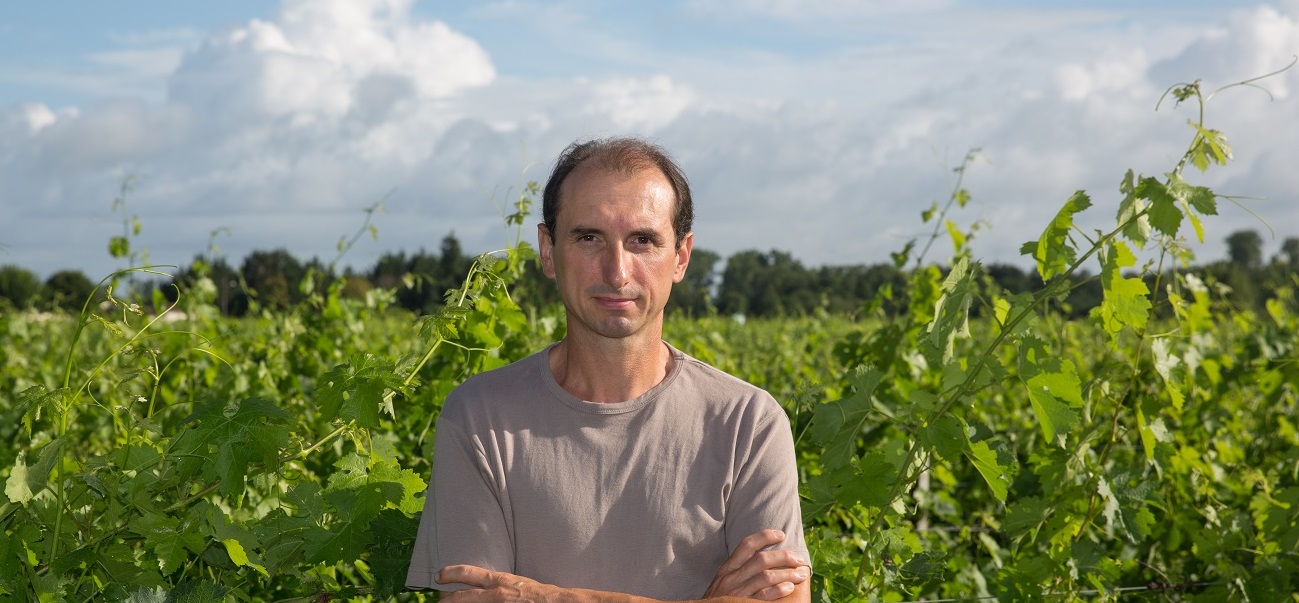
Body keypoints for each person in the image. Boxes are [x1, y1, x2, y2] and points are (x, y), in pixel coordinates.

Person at [406, 137, 811, 602]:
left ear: (681, 256)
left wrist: (547, 597)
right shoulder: (480, 418)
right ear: (547, 249)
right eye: (588, 237)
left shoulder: (748, 423)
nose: (617, 271)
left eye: (642, 240)